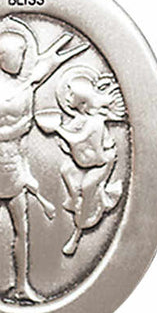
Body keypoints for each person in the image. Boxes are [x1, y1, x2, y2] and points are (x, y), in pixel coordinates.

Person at [0, 17, 87, 302]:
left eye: (24, 54)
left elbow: (43, 67)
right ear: (0, 59)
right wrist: (15, 130)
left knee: (22, 230)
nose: (22, 60)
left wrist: (63, 51)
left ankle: (21, 285)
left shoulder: (24, 87)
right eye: (18, 54)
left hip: (15, 168)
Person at [36, 66, 126, 256]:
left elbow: (78, 139)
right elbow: (71, 145)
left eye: (71, 94)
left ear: (82, 100)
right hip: (87, 162)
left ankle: (77, 234)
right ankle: (77, 200)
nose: (67, 97)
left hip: (101, 163)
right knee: (66, 170)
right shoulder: (80, 119)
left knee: (87, 187)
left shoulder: (95, 122)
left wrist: (58, 129)